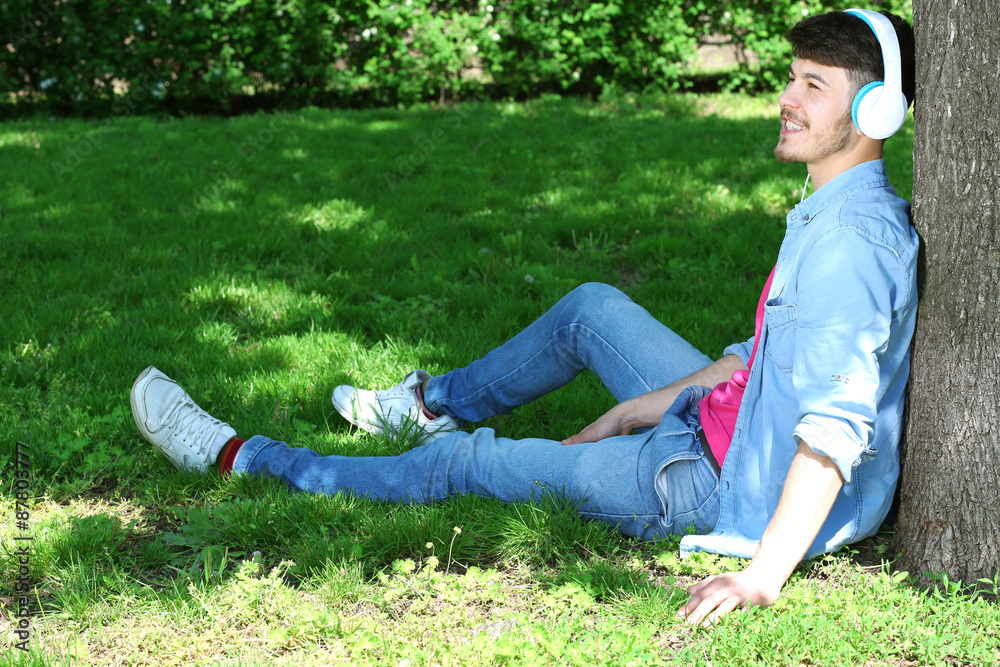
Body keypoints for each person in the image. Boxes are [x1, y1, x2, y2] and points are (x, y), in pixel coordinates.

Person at [130, 9, 917, 626]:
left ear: (875, 109)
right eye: (790, 77)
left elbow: (834, 426)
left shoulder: (853, 245)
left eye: (813, 85)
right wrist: (637, 406)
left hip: (709, 482)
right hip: (726, 422)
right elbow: (764, 349)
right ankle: (426, 405)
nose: (784, 98)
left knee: (466, 468)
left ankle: (242, 456)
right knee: (591, 310)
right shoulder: (834, 206)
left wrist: (759, 576)